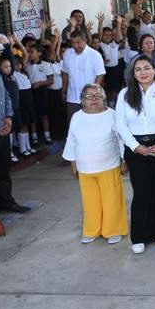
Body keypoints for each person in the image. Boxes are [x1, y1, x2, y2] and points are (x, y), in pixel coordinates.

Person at [115, 55, 155, 254]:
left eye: (146, 68)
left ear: (154, 70)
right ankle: (141, 236)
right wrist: (135, 147)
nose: (142, 72)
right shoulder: (125, 94)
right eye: (138, 69)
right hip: (136, 148)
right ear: (133, 74)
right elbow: (120, 124)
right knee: (142, 191)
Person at [64, 83, 128, 246]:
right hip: (85, 169)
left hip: (109, 166)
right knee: (90, 201)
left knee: (111, 200)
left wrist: (124, 160)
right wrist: (73, 164)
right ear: (82, 100)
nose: (94, 99)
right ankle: (91, 230)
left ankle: (113, 230)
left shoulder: (113, 115)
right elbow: (71, 141)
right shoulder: (77, 117)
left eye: (98, 96)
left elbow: (122, 140)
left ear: (104, 98)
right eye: (89, 96)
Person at [0, 49, 19, 237]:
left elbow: (7, 98)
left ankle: (5, 201)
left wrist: (8, 118)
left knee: (2, 167)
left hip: (2, 128)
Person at [61, 30, 105, 129]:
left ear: (85, 40)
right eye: (73, 43)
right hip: (72, 97)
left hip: (90, 98)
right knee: (74, 125)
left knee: (92, 125)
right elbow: (65, 72)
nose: (75, 46)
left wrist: (94, 95)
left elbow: (100, 75)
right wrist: (64, 89)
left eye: (78, 42)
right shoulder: (68, 53)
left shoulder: (95, 55)